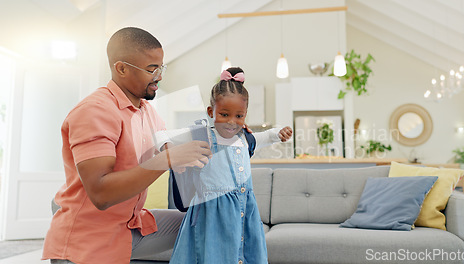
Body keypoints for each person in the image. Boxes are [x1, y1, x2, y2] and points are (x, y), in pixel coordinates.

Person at [42, 27, 212, 264]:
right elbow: (101, 194)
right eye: (152, 69)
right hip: (88, 240)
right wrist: (168, 160)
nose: (160, 76)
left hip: (128, 226)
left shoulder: (147, 111)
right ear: (121, 68)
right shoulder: (95, 111)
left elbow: (166, 146)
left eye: (161, 67)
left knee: (203, 221)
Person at [159, 67, 293, 264]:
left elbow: (263, 137)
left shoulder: (245, 138)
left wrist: (278, 133)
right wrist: (170, 151)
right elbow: (162, 136)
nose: (232, 122)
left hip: (243, 211)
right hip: (211, 216)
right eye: (224, 114)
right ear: (211, 112)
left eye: (239, 116)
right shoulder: (201, 135)